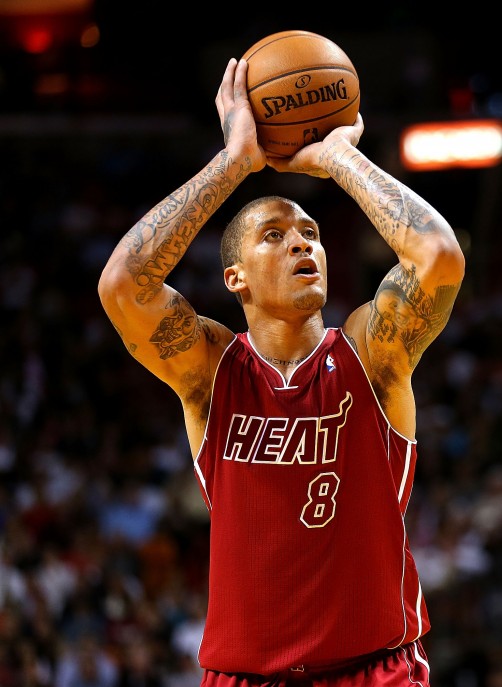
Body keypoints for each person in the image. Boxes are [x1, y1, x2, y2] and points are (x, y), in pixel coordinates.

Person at [97, 55, 465, 686]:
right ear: (233, 277)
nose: (302, 243)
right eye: (274, 234)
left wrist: (339, 159)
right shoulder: (212, 369)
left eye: (311, 232)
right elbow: (124, 285)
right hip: (245, 676)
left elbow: (437, 256)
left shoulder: (371, 353)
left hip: (373, 671)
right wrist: (234, 163)